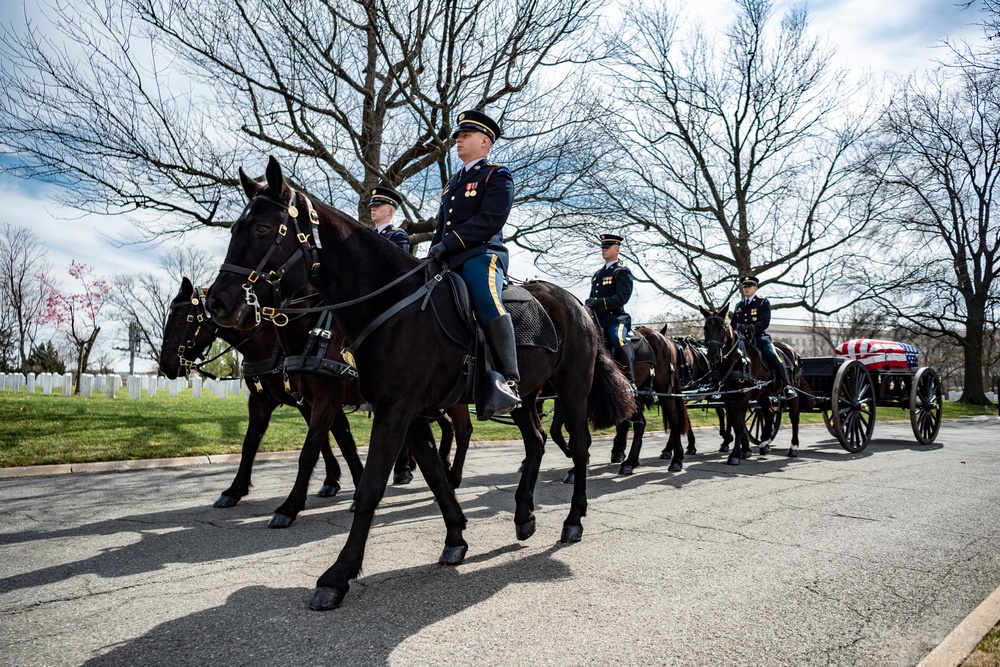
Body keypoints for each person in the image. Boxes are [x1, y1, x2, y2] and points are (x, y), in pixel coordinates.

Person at [426, 109, 520, 418]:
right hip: (449, 257)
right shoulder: (453, 183)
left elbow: (490, 220)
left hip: (481, 254)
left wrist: (448, 244)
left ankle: (508, 379)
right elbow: (442, 226)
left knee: (485, 296)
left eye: (464, 136)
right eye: (457, 137)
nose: (457, 141)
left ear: (484, 141)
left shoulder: (496, 174)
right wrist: (433, 252)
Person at [585, 233, 636, 391]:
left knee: (617, 339)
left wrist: (598, 303)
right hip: (597, 320)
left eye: (607, 247)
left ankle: (630, 381)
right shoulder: (597, 275)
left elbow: (622, 298)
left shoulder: (622, 272)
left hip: (616, 319)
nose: (604, 250)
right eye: (602, 247)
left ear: (617, 249)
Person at [731, 275, 797, 398]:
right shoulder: (739, 306)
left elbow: (764, 322)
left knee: (772, 354)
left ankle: (787, 386)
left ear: (756, 288)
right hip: (742, 340)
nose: (746, 289)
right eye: (744, 286)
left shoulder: (762, 302)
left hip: (759, 338)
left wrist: (748, 327)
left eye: (749, 286)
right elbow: (733, 324)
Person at [369, 185, 409, 253]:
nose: (372, 209)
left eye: (377, 205)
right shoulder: (368, 234)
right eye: (372, 206)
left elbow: (400, 262)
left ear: (390, 211)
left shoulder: (397, 235)